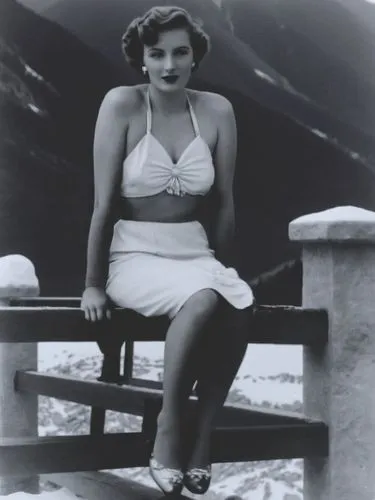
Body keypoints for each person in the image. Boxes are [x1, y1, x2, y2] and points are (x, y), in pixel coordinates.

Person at [81, 5, 254, 496]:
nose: (169, 65)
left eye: (180, 52)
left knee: (240, 304)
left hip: (194, 253)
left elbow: (224, 202)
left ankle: (202, 440)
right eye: (157, 54)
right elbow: (103, 203)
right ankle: (170, 425)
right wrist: (93, 283)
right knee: (202, 298)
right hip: (133, 254)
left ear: (194, 57)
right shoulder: (122, 105)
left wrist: (226, 266)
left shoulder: (217, 111)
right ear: (141, 59)